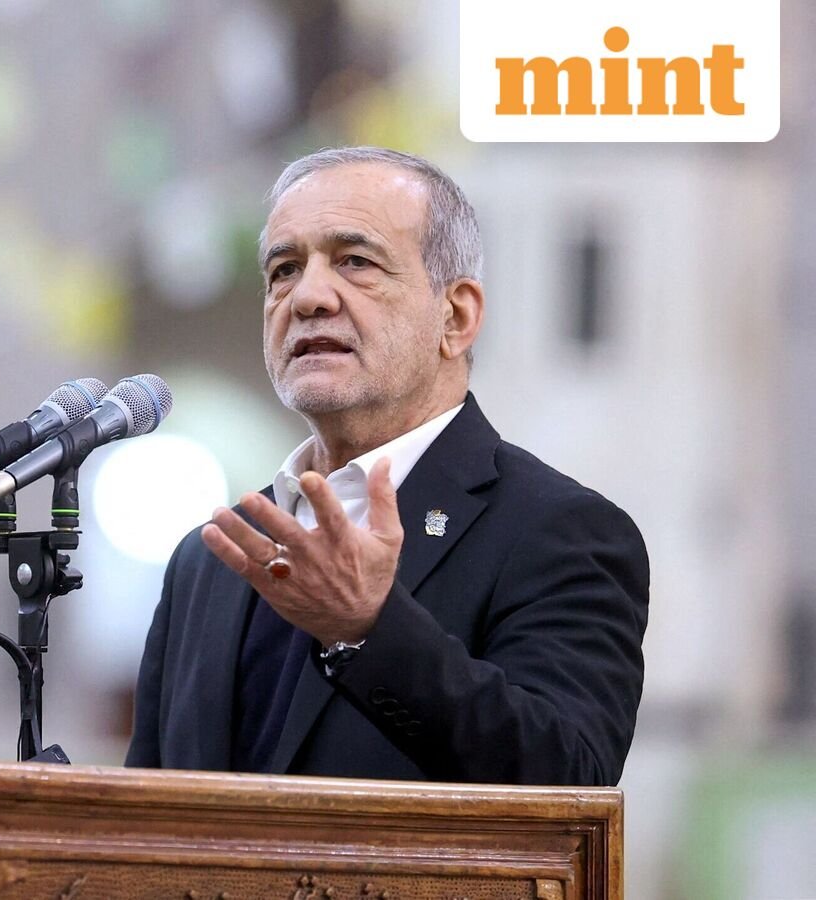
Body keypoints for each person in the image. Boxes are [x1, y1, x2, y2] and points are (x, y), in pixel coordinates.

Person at [125, 146, 648, 785]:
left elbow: (568, 781)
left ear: (456, 316)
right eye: (285, 270)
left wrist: (369, 631)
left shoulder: (560, 532)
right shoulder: (208, 559)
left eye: (356, 261)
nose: (308, 296)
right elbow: (147, 811)